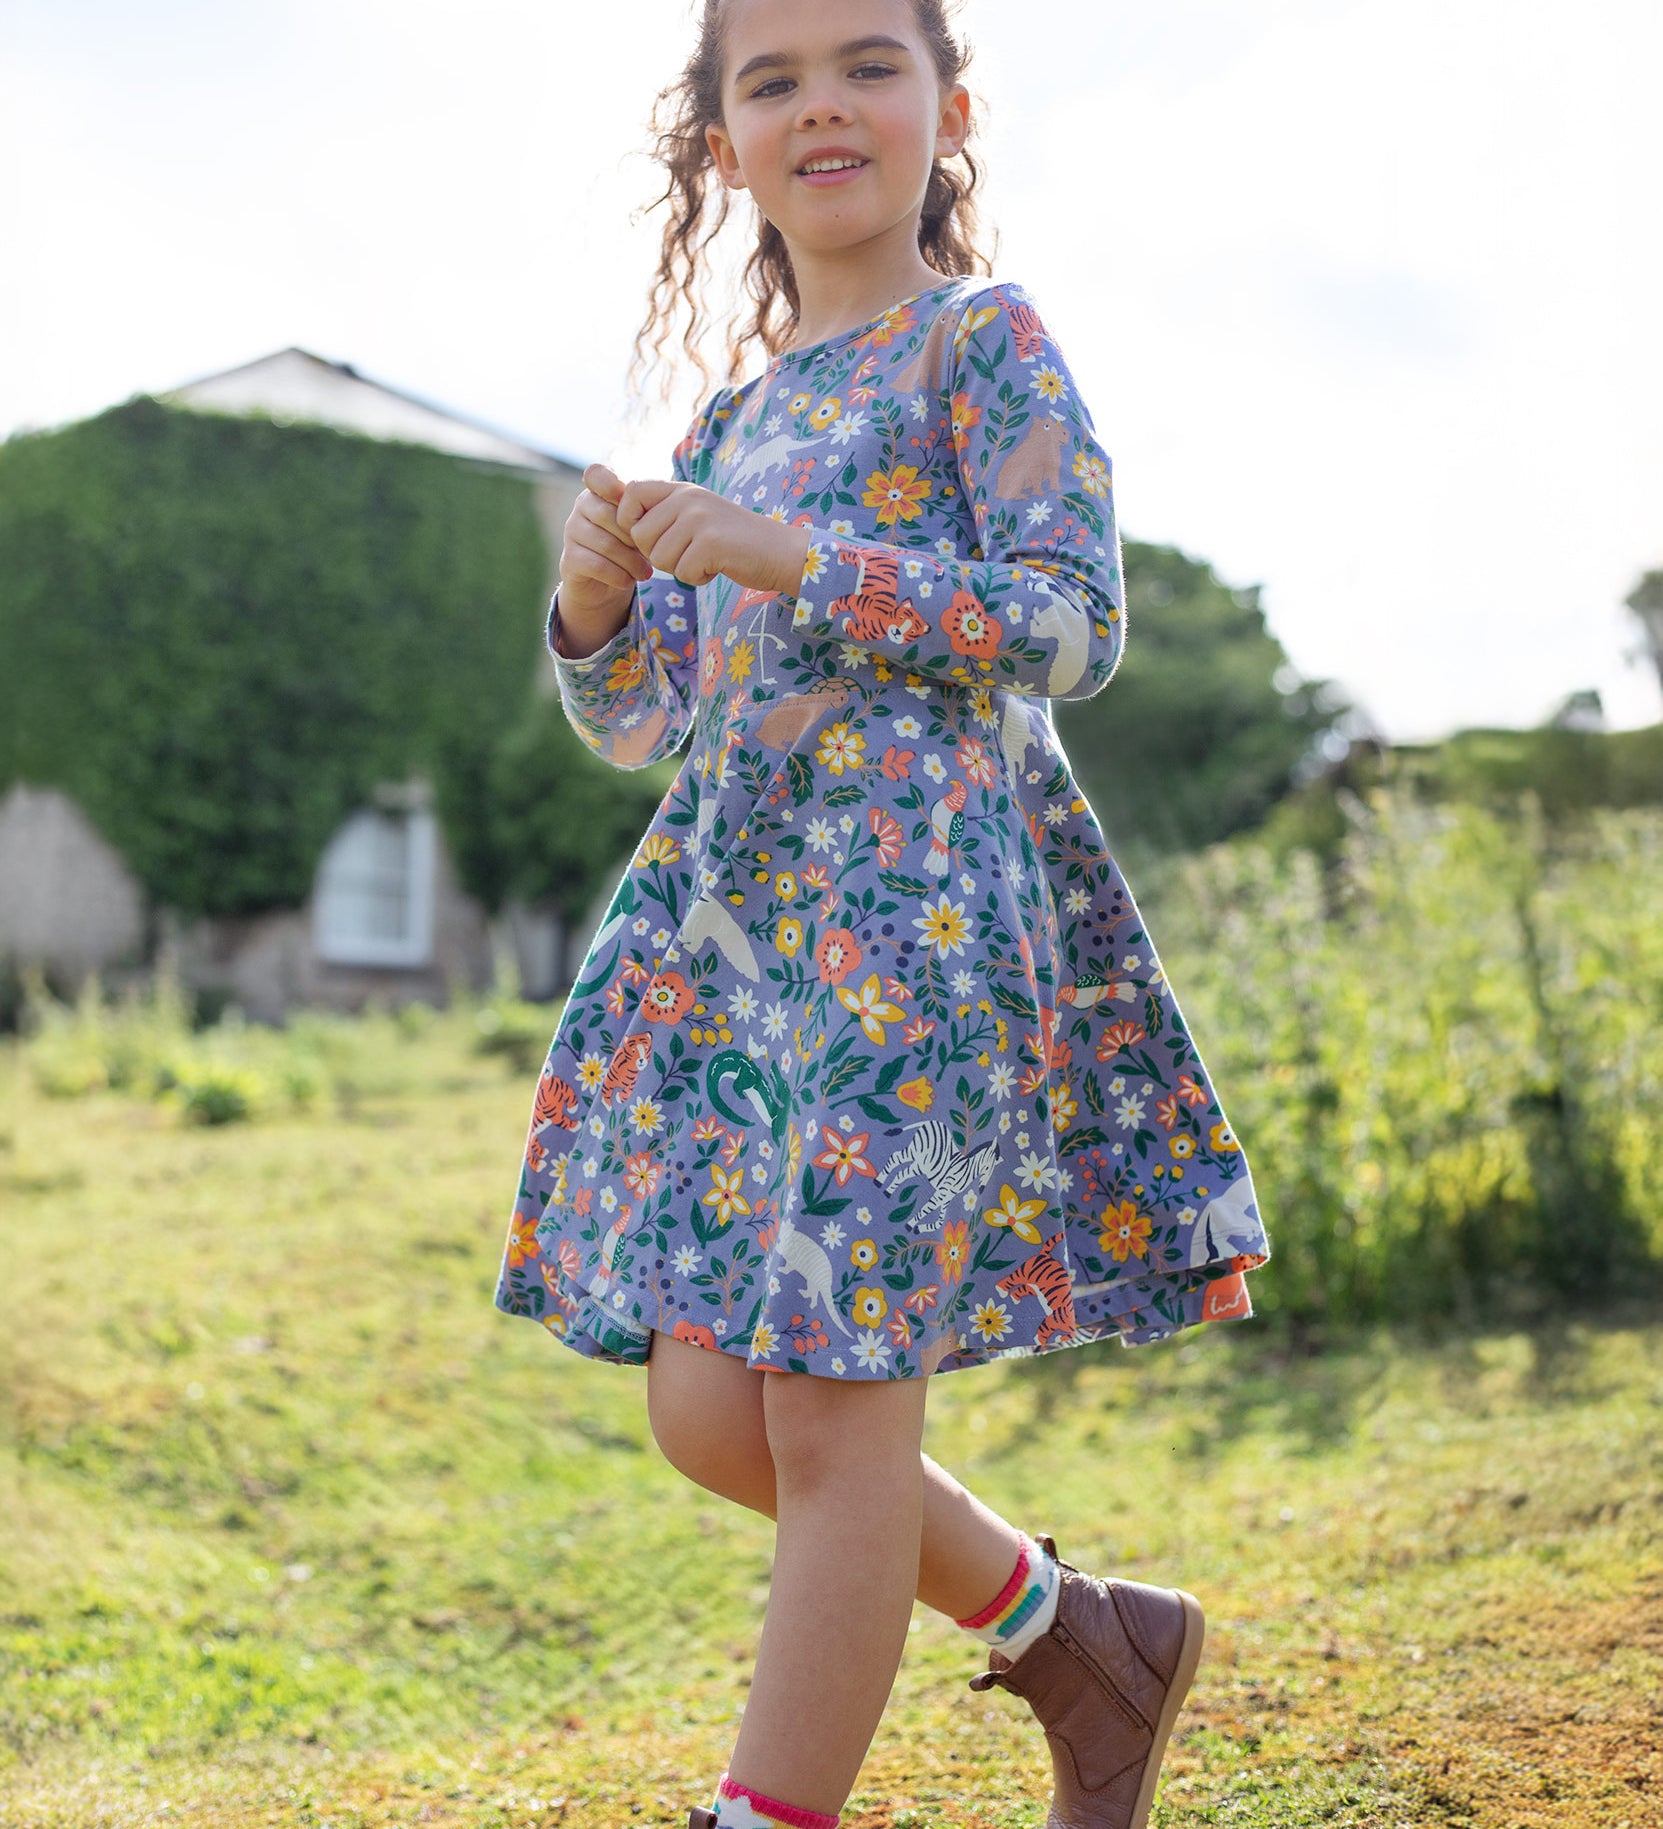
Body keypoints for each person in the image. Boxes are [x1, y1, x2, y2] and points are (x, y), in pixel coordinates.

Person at [495, 3, 1270, 1824]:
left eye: (867, 60)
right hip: (738, 973)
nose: (820, 104)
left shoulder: (981, 345)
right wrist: (599, 610)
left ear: (949, 105)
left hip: (915, 949)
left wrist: (798, 562)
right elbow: (646, 724)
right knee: (713, 1412)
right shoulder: (739, 411)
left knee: (836, 1418)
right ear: (721, 147)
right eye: (769, 80)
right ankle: (1082, 1635)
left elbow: (1070, 626)